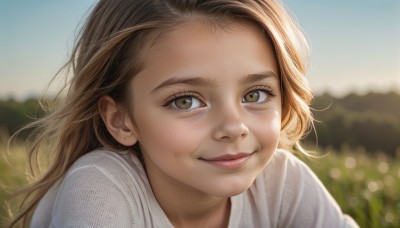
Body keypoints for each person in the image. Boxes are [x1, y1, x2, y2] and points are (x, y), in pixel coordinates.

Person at [9, 0, 358, 227]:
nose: (234, 127)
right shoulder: (98, 189)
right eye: (186, 101)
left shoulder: (282, 183)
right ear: (121, 120)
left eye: (255, 94)